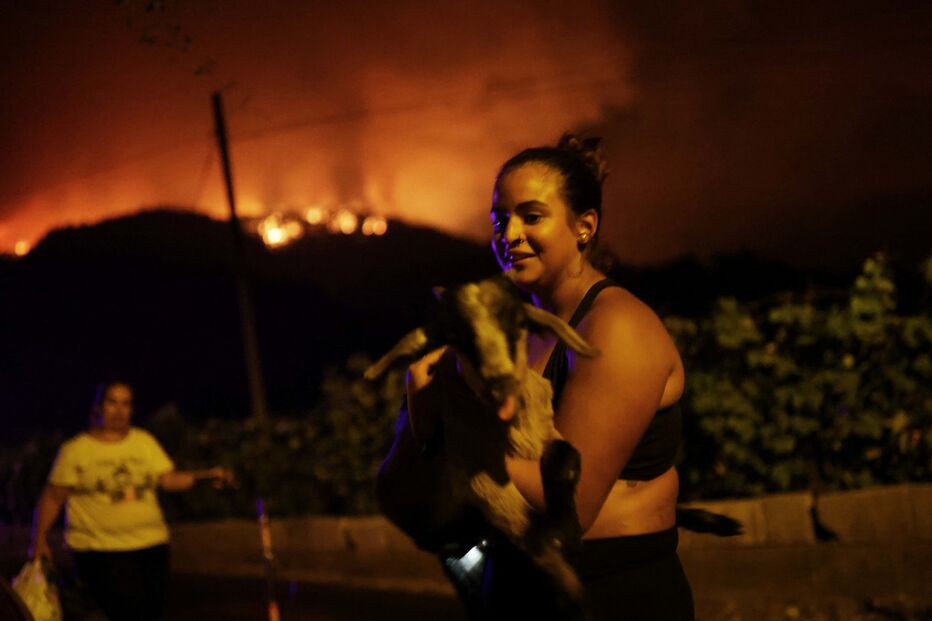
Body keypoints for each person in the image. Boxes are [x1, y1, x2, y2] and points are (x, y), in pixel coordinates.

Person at [399, 134, 693, 619]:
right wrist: (422, 395)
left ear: (584, 227)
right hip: (517, 587)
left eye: (531, 217)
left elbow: (569, 504)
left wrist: (465, 433)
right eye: (500, 220)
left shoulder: (616, 327)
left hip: (609, 594)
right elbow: (443, 470)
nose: (509, 234)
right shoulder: (512, 335)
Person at [30, 380, 234, 621]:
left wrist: (206, 477)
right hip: (99, 551)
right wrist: (39, 539)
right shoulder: (76, 449)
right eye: (112, 402)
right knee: (122, 611)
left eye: (126, 403)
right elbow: (53, 497)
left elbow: (168, 479)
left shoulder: (143, 442)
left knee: (150, 612)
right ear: (99, 407)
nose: (119, 410)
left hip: (151, 546)